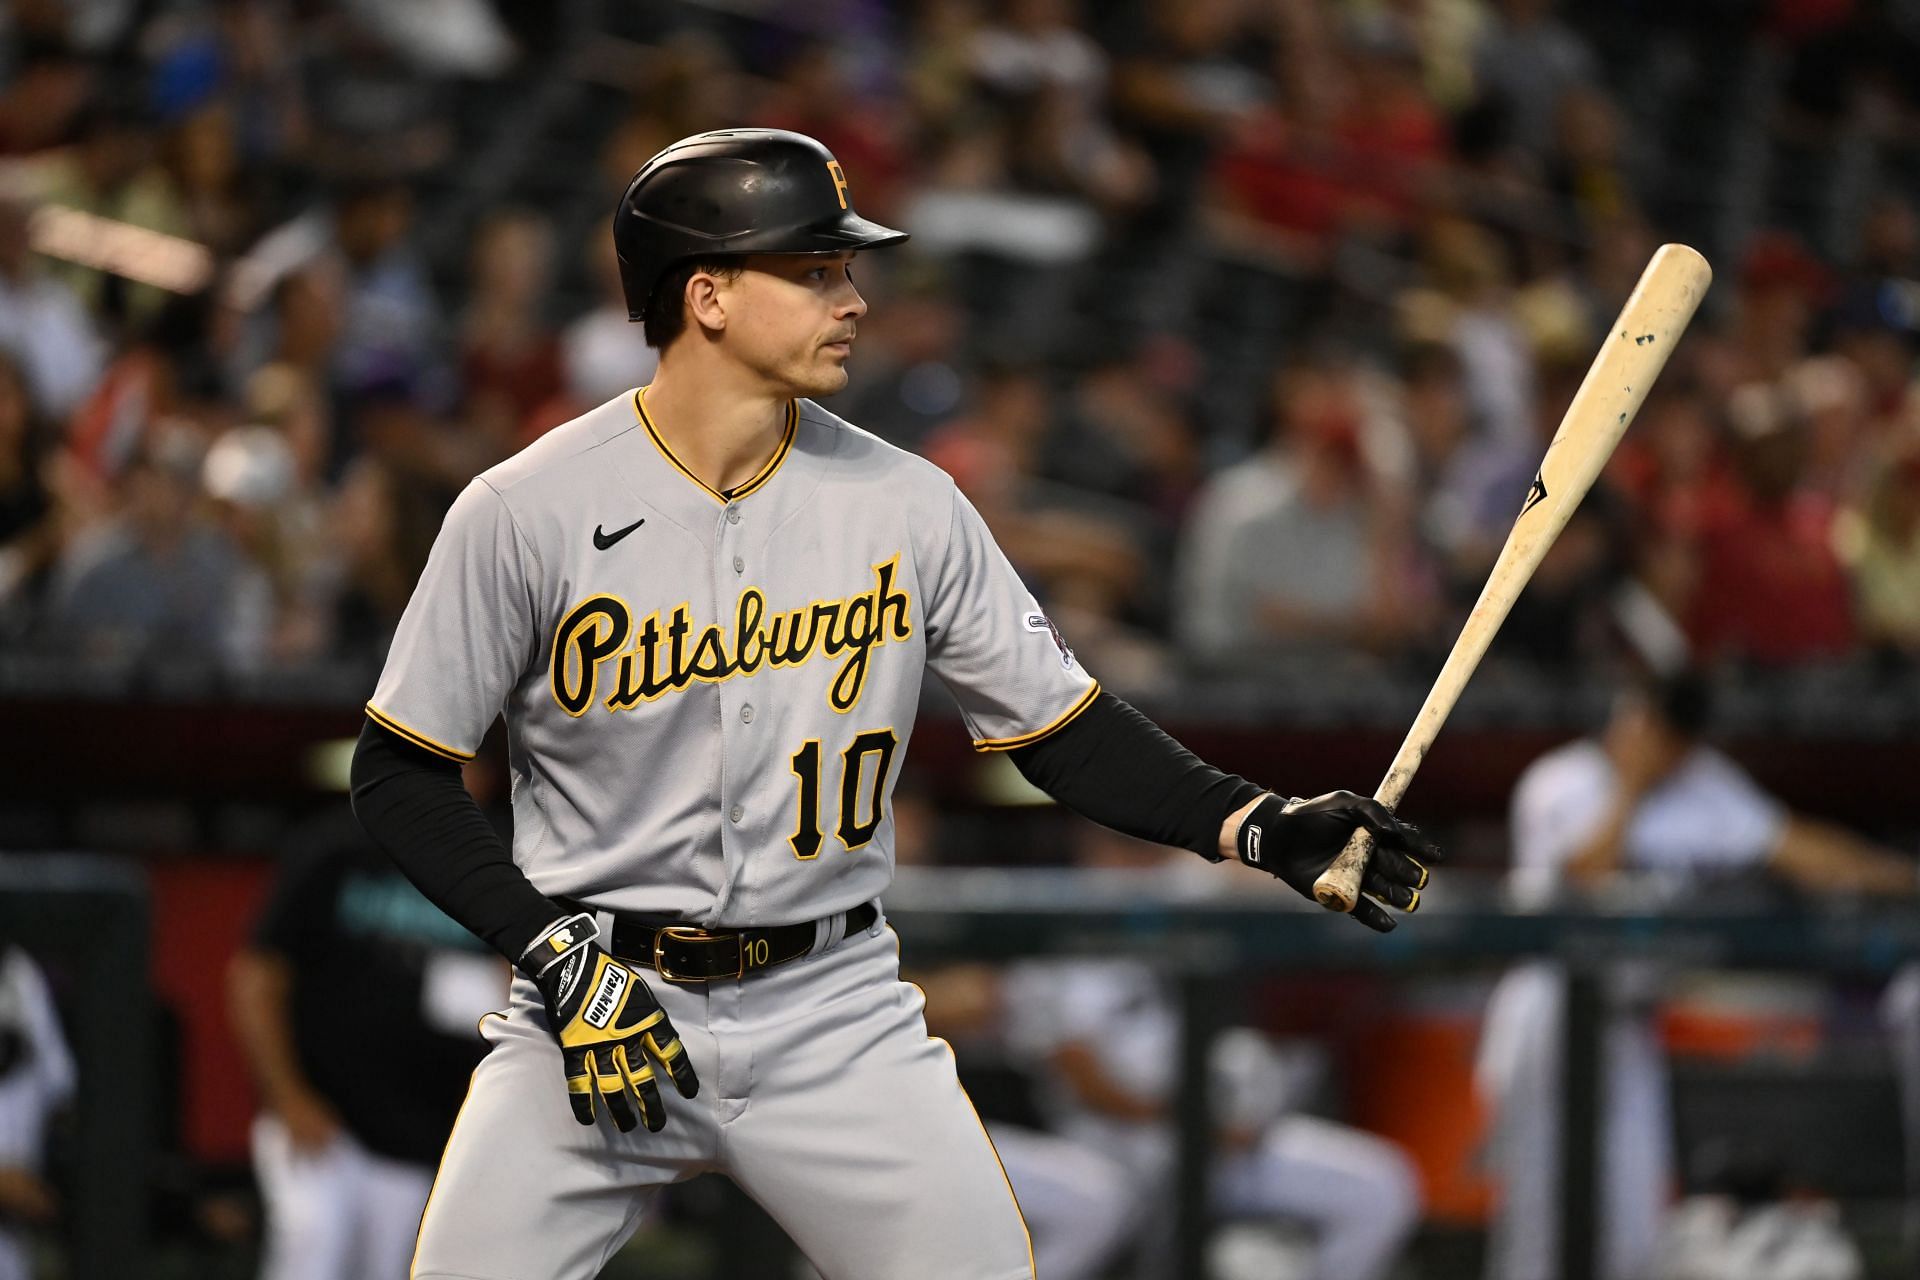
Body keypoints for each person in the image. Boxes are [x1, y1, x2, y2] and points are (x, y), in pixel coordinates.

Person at [348, 128, 1439, 1280]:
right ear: (707, 296)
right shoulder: (525, 508)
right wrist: (553, 953)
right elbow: (398, 770)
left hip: (830, 1008)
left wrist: (1257, 823)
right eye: (814, 270)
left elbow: (1062, 728)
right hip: (595, 1005)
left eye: (847, 268)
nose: (853, 298)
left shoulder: (910, 503)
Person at [1478, 669, 1916, 1280]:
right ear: (1632, 720)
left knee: (1635, 1236)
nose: (1674, 751)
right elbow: (1583, 880)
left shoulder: (1701, 784)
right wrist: (1629, 784)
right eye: (1661, 731)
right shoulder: (1561, 782)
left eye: (1681, 739)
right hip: (1549, 1021)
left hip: (1629, 1030)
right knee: (1536, 1237)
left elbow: (1801, 848)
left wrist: (1904, 878)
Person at [230, 802, 501, 1280]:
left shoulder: (491, 864)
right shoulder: (339, 847)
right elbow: (256, 975)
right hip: (324, 1124)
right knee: (312, 1246)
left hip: (426, 1135)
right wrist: (288, 1095)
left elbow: (514, 990)